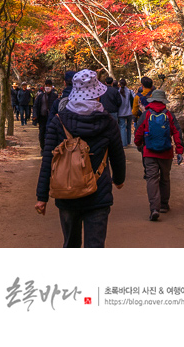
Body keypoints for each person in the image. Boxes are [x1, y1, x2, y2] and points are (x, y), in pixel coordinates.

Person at [35, 69, 126, 247]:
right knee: (96, 246)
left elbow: (48, 161)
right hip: (98, 193)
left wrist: (42, 197)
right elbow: (117, 155)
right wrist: (119, 179)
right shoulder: (108, 122)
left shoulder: (58, 122)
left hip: (67, 192)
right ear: (97, 95)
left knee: (70, 245)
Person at [134, 87, 184, 221]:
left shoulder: (146, 114)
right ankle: (164, 205)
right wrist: (179, 151)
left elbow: (138, 131)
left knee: (152, 178)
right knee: (165, 178)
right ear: (163, 101)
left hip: (149, 152)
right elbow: (177, 133)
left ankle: (154, 208)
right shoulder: (169, 114)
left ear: (152, 99)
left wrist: (138, 144)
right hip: (166, 152)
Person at [32, 79, 59, 149]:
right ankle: (42, 148)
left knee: (50, 134)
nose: (47, 87)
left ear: (51, 86)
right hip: (42, 118)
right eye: (46, 85)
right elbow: (35, 106)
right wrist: (34, 115)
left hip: (52, 118)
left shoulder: (55, 96)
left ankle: (50, 148)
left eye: (49, 86)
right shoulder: (40, 96)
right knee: (42, 133)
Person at [117, 78, 135, 146]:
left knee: (122, 127)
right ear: (126, 84)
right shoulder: (130, 91)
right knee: (129, 127)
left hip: (121, 112)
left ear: (119, 84)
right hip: (129, 111)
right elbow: (135, 98)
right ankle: (129, 142)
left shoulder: (118, 92)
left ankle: (124, 143)